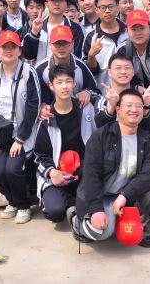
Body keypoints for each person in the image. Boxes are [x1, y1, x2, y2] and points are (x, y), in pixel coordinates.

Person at [70, 88, 150, 248]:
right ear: (118, 109)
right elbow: (90, 174)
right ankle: (75, 219)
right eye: (128, 105)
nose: (134, 110)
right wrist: (96, 208)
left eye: (139, 106)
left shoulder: (147, 139)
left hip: (125, 195)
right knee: (101, 232)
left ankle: (139, 223)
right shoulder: (101, 136)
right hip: (99, 194)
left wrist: (125, 195)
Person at [0, 31, 41, 224]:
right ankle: (12, 202)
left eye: (13, 47)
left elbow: (34, 107)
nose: (8, 51)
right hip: (0, 135)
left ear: (19, 50)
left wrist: (20, 139)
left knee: (13, 170)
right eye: (4, 47)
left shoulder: (28, 72)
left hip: (23, 134)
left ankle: (23, 205)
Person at [34, 64, 96, 223]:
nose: (64, 86)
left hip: (82, 171)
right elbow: (39, 155)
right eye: (59, 82)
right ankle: (66, 200)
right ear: (51, 86)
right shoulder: (46, 119)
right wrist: (52, 173)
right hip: (56, 173)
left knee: (92, 205)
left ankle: (76, 201)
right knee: (55, 212)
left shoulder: (85, 109)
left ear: (74, 83)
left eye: (68, 81)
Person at [34, 25, 100, 107]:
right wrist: (42, 106)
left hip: (77, 112)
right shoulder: (40, 69)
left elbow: (96, 92)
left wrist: (88, 92)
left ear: (72, 43)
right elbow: (34, 97)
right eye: (57, 44)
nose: (61, 47)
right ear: (50, 44)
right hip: (50, 113)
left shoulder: (81, 66)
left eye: (65, 43)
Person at [116, 9, 150, 104]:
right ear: (126, 31)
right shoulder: (122, 50)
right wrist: (135, 88)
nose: (138, 33)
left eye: (142, 28)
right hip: (137, 97)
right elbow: (119, 79)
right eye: (134, 29)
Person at [22, 0, 84, 65]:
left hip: (67, 71)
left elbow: (79, 55)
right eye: (53, 1)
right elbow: (28, 55)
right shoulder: (37, 26)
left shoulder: (74, 28)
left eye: (60, 0)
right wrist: (34, 33)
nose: (57, 4)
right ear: (46, 4)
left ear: (65, 4)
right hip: (41, 71)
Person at [83, 0, 128, 87]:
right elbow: (90, 72)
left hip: (129, 91)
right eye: (103, 8)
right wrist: (91, 56)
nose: (107, 11)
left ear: (117, 7)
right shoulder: (92, 37)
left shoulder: (128, 31)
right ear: (96, 10)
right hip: (103, 90)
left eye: (111, 6)